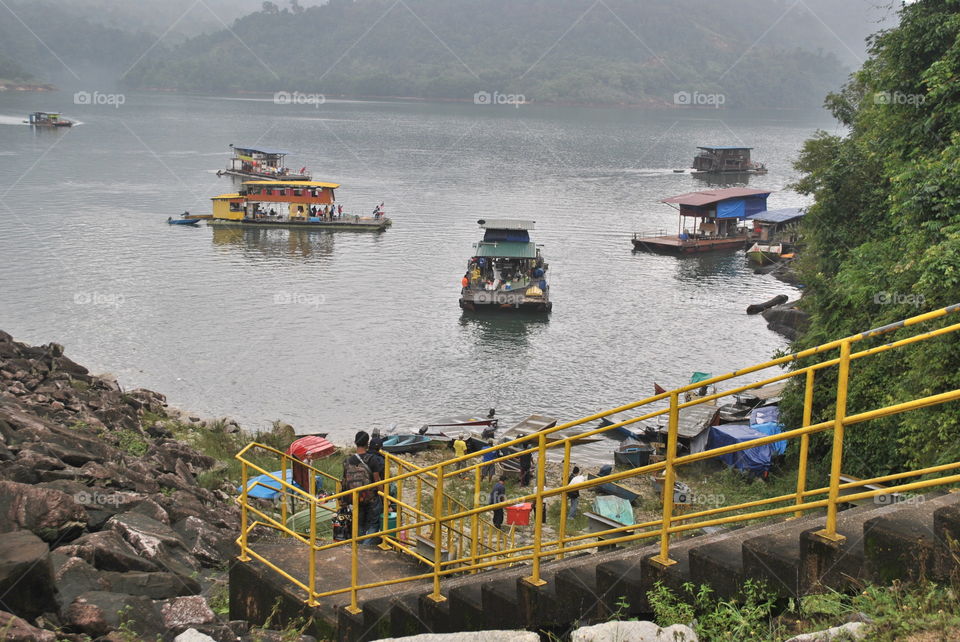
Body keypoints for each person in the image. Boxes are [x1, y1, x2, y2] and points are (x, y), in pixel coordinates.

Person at [341, 430, 385, 545]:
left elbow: (344, 482)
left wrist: (343, 500)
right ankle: (365, 548)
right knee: (373, 524)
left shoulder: (348, 461)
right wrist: (385, 499)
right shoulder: (371, 459)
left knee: (359, 525)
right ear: (367, 444)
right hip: (371, 499)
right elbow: (377, 481)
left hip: (355, 498)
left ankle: (359, 547)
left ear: (355, 442)